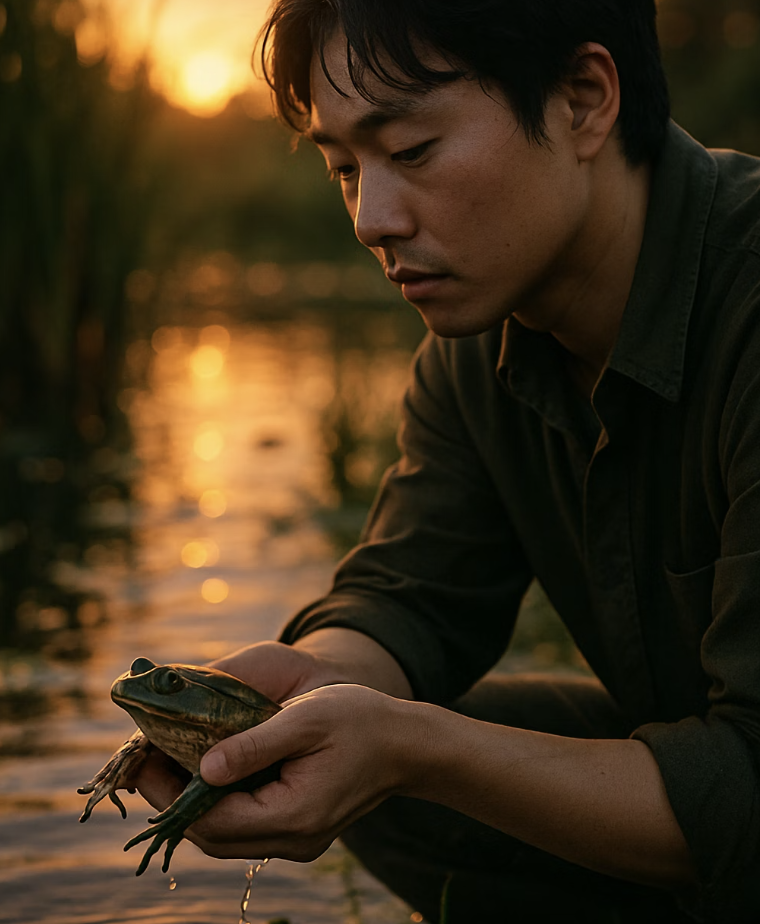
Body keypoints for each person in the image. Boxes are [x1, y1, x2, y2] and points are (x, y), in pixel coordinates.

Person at [136, 1, 760, 921]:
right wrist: (306, 695)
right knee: (395, 795)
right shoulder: (479, 349)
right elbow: (411, 596)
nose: (370, 220)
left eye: (413, 152)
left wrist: (416, 748)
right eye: (344, 167)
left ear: (584, 100)